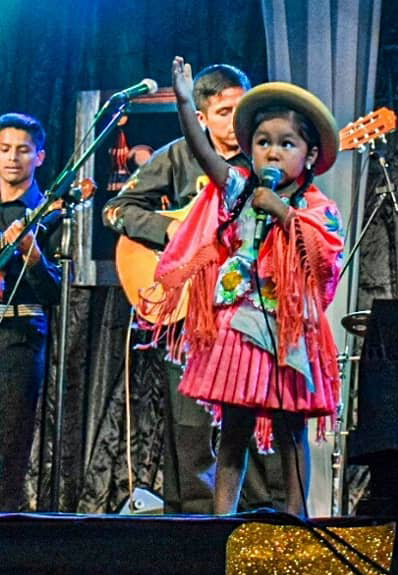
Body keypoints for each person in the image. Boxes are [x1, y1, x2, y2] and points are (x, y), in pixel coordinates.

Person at [157, 55, 343, 515]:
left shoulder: (317, 207)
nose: (272, 152)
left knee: (290, 430)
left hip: (287, 332)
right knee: (233, 431)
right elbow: (206, 156)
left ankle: (297, 519)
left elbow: (325, 259)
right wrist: (184, 104)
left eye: (286, 143)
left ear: (309, 155)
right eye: (263, 142)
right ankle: (221, 522)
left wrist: (283, 213)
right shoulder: (241, 191)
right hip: (239, 329)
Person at [102, 64, 283, 513]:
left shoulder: (266, 160)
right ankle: (194, 522)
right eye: (223, 112)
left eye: (241, 108)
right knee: (191, 425)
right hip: (191, 312)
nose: (235, 120)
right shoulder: (178, 156)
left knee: (253, 415)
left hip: (248, 310)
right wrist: (170, 231)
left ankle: (261, 520)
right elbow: (116, 209)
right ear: (200, 118)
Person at [0, 113, 61, 510]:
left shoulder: (49, 212)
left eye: (23, 150)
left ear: (39, 157)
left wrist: (34, 258)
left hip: (19, 337)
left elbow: (55, 293)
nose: (12, 158)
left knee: (9, 445)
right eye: (4, 149)